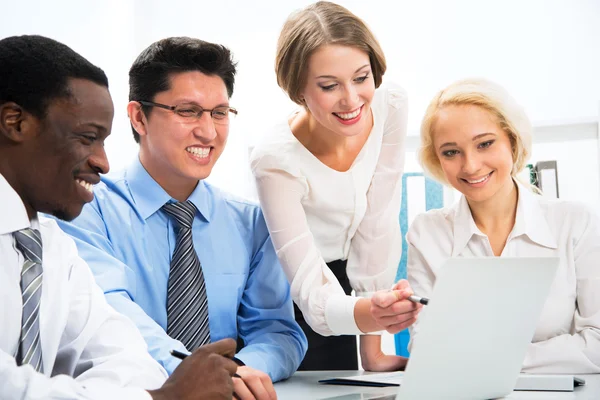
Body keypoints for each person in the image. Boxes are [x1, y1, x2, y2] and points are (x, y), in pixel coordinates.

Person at [53, 36, 307, 399]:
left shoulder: (252, 224)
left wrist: (239, 374)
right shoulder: (85, 208)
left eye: (219, 112)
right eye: (188, 111)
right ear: (139, 117)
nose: (208, 131)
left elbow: (276, 331)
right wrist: (196, 378)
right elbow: (111, 314)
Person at [0, 34, 239, 400]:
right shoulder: (81, 226)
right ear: (15, 122)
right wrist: (161, 398)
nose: (103, 162)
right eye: (86, 137)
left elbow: (128, 361)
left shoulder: (51, 248)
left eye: (104, 141)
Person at [250, 1, 420, 371]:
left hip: (348, 283)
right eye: (329, 86)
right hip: (290, 296)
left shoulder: (390, 105)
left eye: (361, 78)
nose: (351, 100)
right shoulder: (275, 160)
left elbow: (378, 222)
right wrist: (370, 313)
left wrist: (373, 352)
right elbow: (310, 289)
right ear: (298, 91)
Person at [406, 78, 600, 373]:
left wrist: (500, 360)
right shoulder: (427, 234)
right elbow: (428, 351)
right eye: (451, 152)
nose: (470, 165)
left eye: (484, 144)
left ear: (512, 139)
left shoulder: (575, 223)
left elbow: (597, 344)